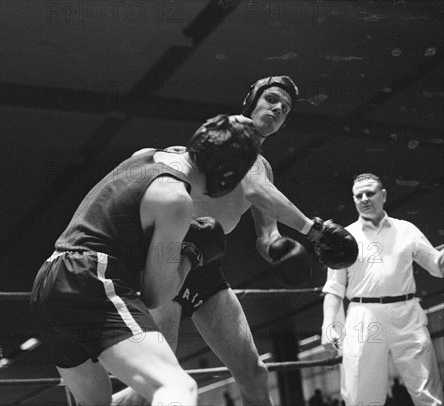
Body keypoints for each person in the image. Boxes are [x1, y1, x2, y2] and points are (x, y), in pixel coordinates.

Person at [113, 76, 358, 405]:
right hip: (163, 258)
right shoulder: (226, 138)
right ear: (252, 101)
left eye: (284, 110)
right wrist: (314, 230)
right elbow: (255, 188)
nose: (277, 109)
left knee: (254, 373)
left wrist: (280, 251)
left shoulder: (262, 168)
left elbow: (266, 235)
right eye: (271, 100)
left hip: (205, 268)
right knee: (158, 380)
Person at [29, 114, 261, 405]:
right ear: (227, 177)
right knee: (177, 387)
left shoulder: (145, 156)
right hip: (90, 278)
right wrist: (193, 253)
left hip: (49, 282)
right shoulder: (175, 199)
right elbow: (156, 295)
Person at [321, 173, 444, 406]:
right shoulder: (345, 237)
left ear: (384, 195)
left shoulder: (407, 229)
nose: (365, 199)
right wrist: (328, 324)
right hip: (363, 315)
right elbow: (334, 287)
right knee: (361, 398)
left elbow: (436, 266)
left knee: (427, 393)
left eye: (370, 193)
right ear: (354, 200)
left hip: (406, 313)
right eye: (359, 195)